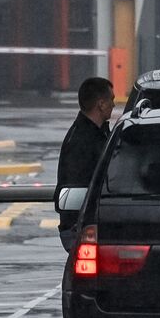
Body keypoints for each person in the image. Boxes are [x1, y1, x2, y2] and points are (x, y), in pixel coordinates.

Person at [56, 77, 115, 250]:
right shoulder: (82, 142)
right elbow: (77, 186)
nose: (114, 104)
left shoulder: (97, 134)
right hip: (80, 227)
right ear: (101, 104)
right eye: (111, 100)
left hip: (91, 222)